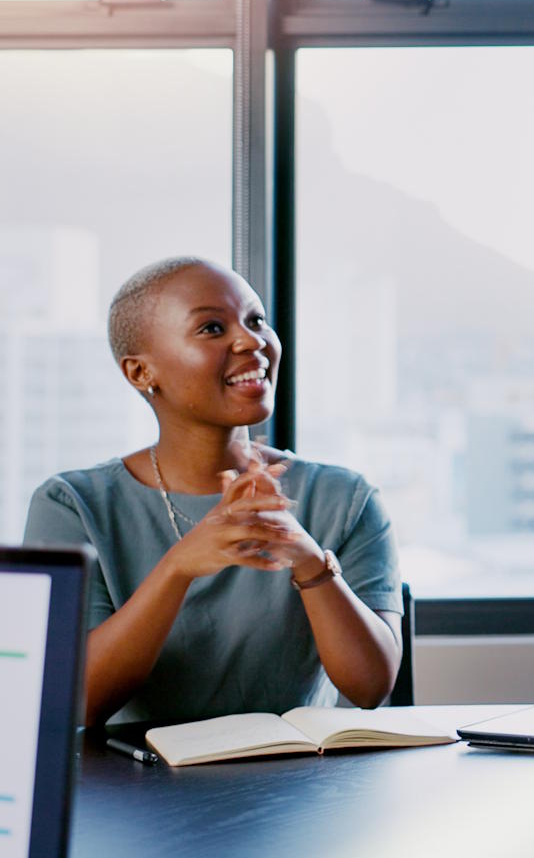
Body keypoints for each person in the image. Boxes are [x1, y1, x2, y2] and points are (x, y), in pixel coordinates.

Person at [23, 257, 402, 727]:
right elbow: (75, 702)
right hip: (133, 791)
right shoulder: (71, 506)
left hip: (294, 788)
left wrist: (308, 559)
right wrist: (180, 566)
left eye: (256, 320)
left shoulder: (345, 498)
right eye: (211, 328)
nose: (251, 340)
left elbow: (371, 688)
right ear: (141, 373)